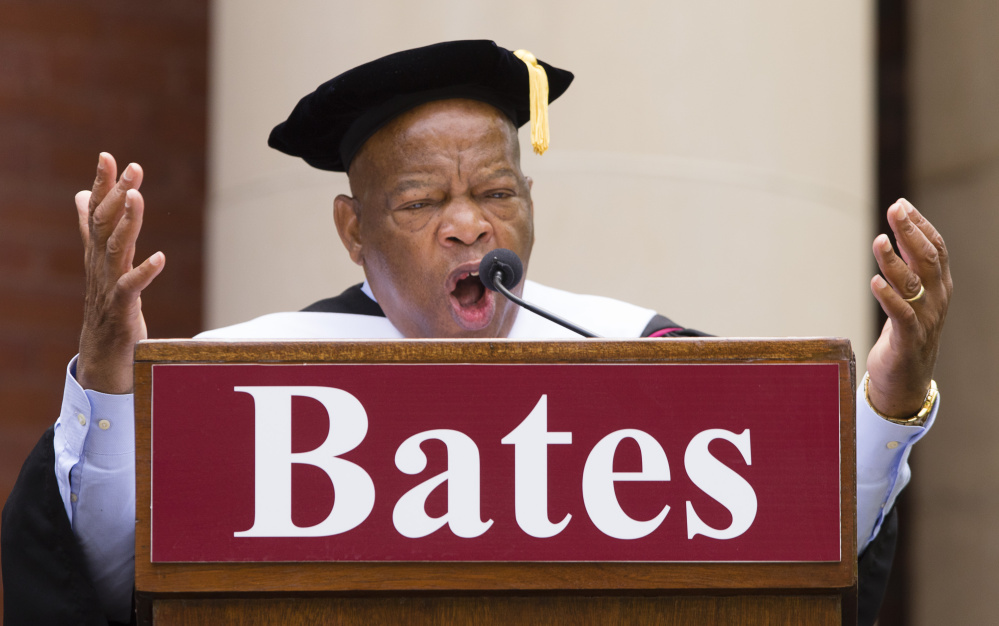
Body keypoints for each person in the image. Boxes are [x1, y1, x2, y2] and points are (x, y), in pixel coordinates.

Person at [1, 40, 951, 626]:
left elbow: (800, 528)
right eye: (422, 200)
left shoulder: (642, 364)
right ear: (353, 231)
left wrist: (891, 397)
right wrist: (110, 367)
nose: (469, 225)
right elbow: (107, 578)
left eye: (496, 192)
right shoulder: (246, 381)